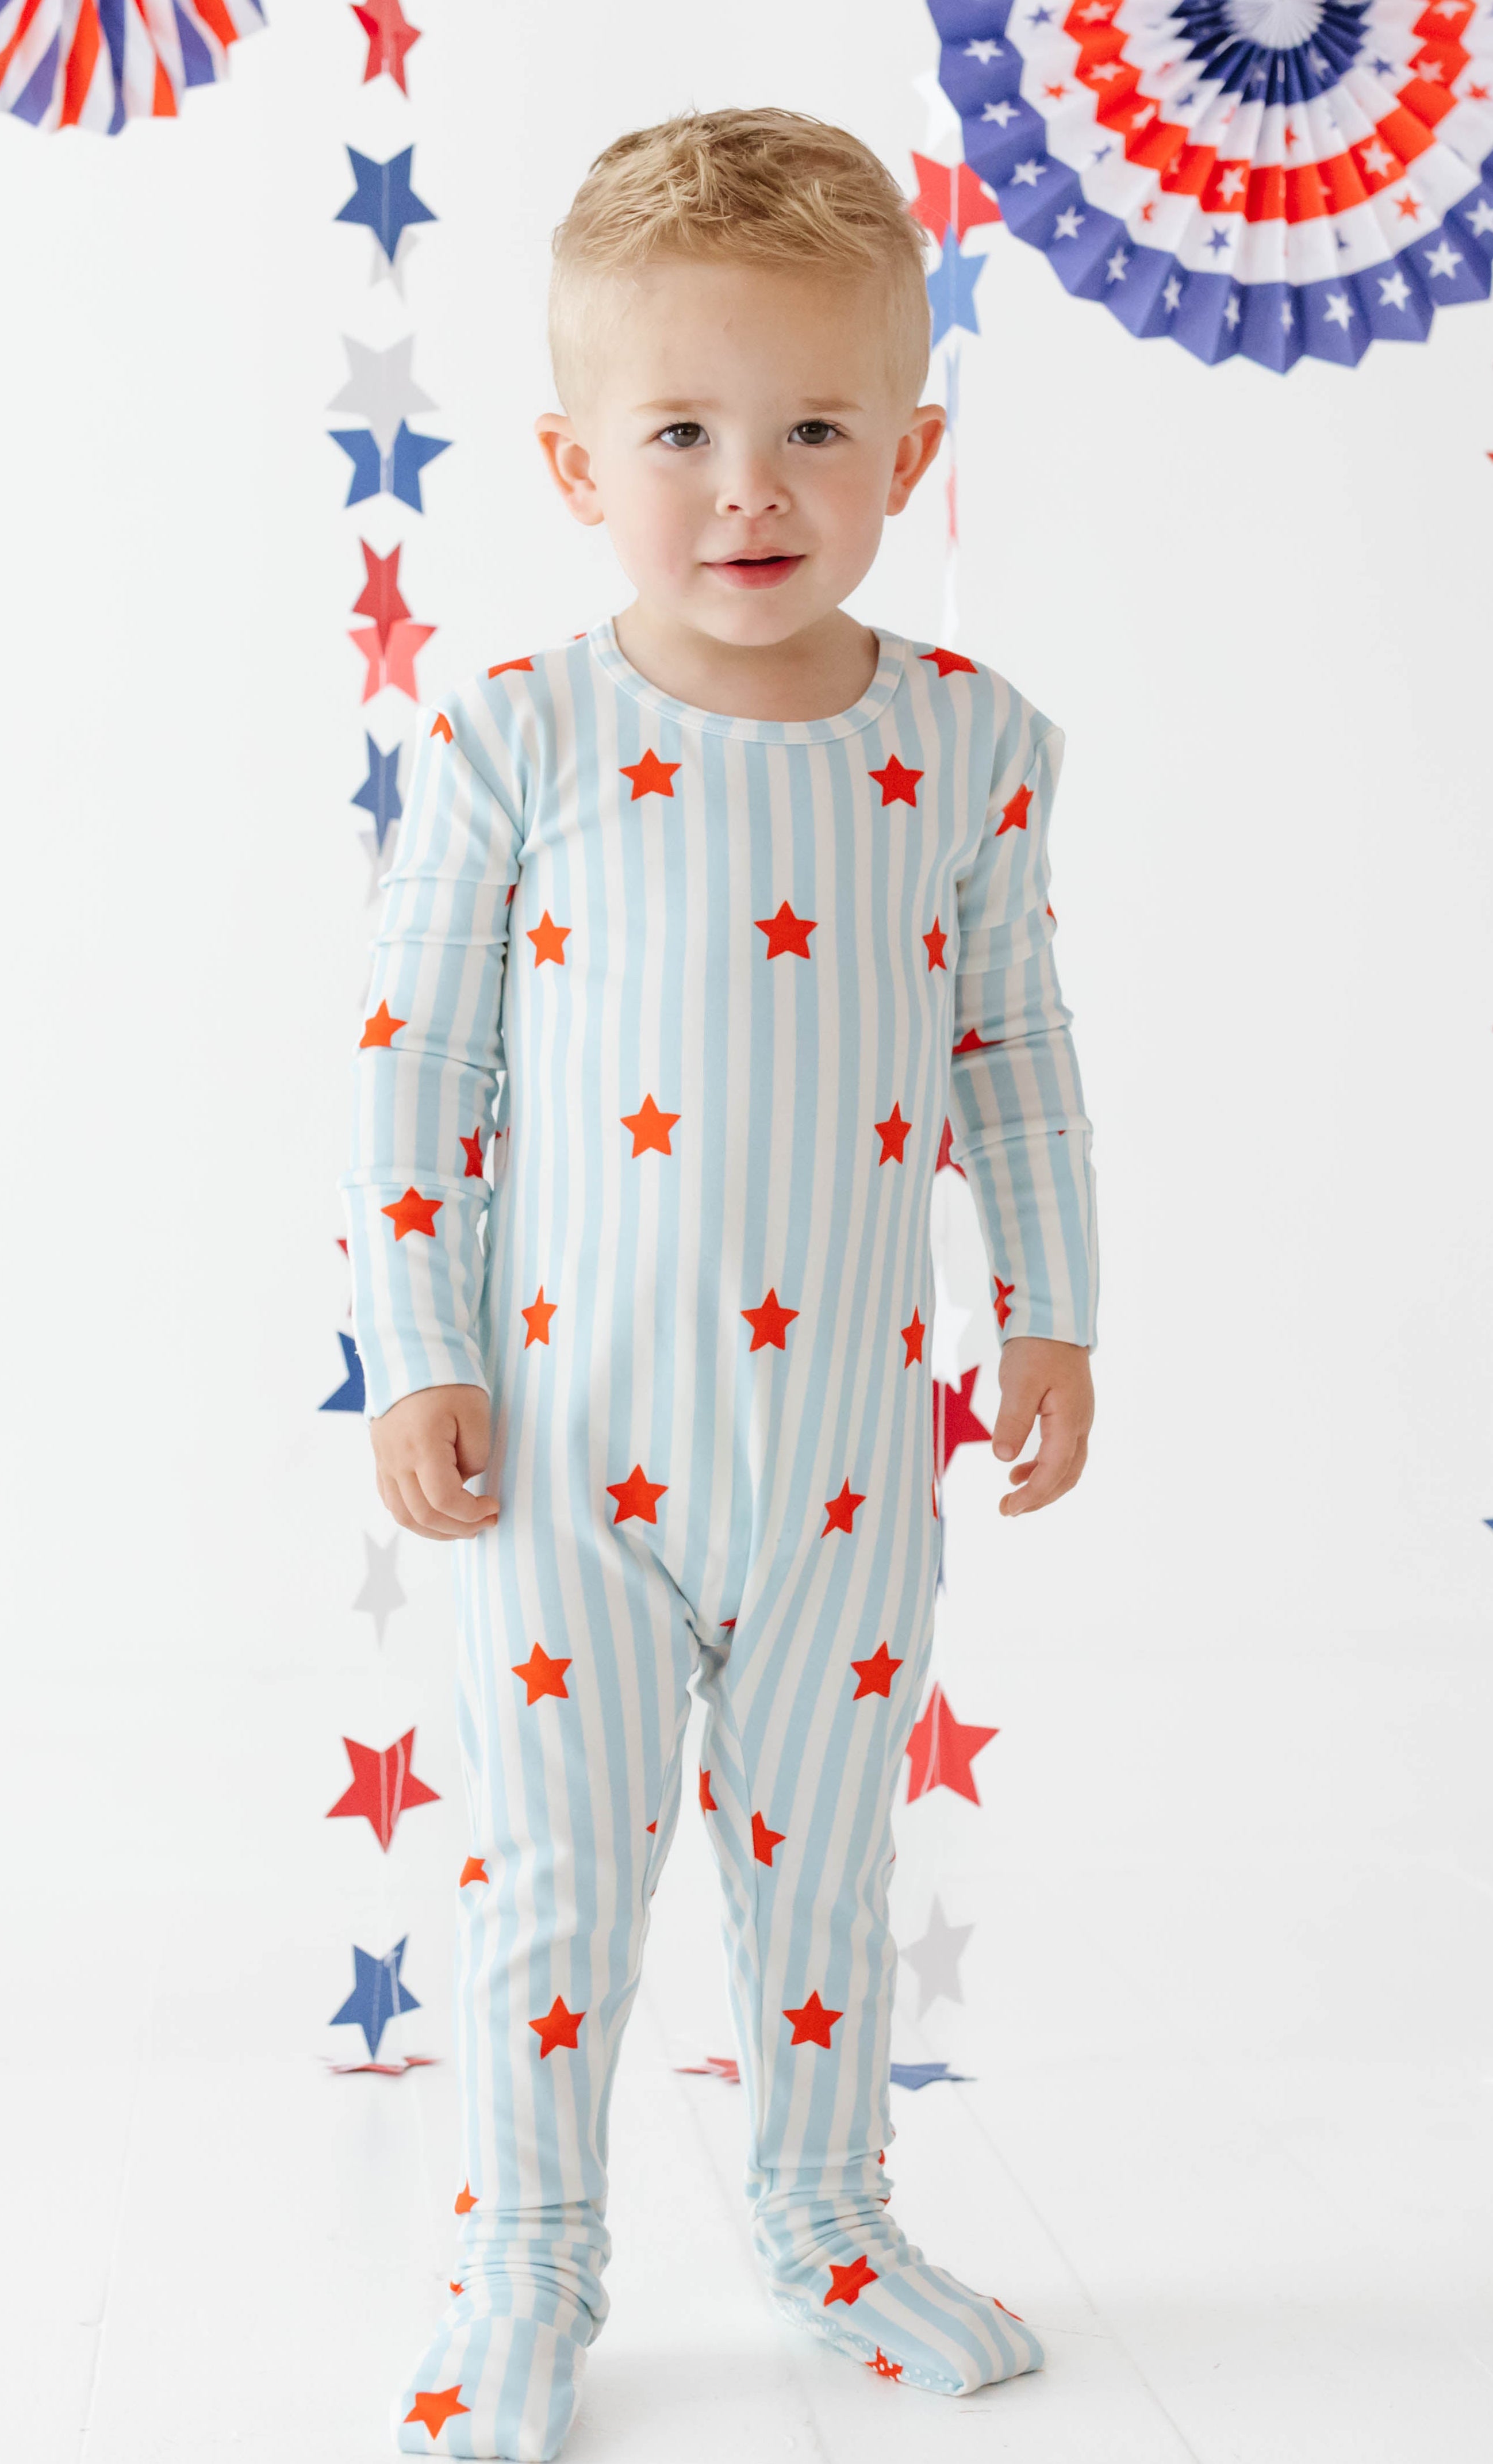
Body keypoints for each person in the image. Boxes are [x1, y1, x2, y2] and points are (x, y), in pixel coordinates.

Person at [344, 106, 1099, 2462]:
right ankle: (531, 2265)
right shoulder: (516, 741)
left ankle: (823, 2219)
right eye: (681, 432)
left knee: (828, 1867)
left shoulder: (966, 745)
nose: (748, 486)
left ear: (908, 449)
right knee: (554, 1879)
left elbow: (1015, 1050)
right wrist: (420, 1351)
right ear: (577, 463)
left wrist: (1055, 1310)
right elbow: (420, 1070)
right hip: (572, 1447)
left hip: (852, 1455)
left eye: (810, 431)